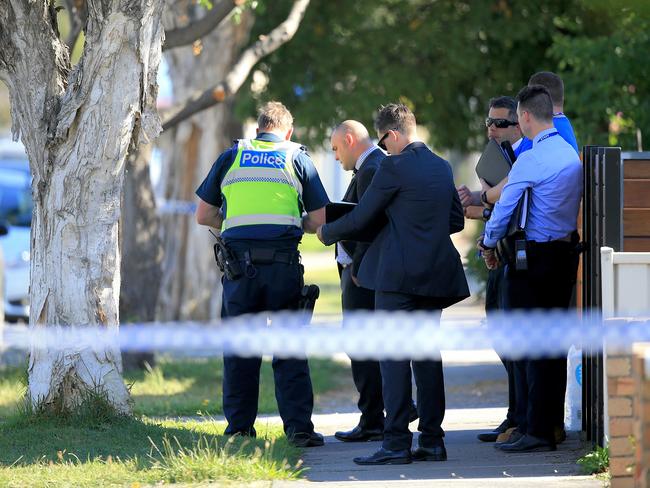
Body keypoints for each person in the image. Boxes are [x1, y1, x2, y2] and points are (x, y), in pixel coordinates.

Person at [317, 104, 469, 465]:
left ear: (394, 134)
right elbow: (455, 220)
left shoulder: (392, 166)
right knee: (428, 359)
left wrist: (326, 232)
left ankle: (396, 442)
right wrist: (422, 233)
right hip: (434, 273)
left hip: (397, 280)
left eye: (384, 140)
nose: (383, 148)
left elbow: (361, 216)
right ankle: (432, 440)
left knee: (394, 360)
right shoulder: (441, 165)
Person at [195, 101, 328, 447]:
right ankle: (299, 430)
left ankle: (239, 430)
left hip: (239, 270)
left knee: (240, 351)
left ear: (257, 130)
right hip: (283, 269)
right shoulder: (297, 157)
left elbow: (203, 214)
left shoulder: (232, 156)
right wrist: (294, 222)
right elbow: (319, 221)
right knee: (289, 350)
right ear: (288, 131)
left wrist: (234, 225)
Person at [479, 85, 582, 452]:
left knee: (528, 346)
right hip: (564, 255)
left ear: (523, 116)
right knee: (552, 347)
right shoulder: (568, 153)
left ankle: (534, 430)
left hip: (533, 259)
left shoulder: (532, 159)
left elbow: (505, 207)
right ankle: (549, 425)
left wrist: (488, 242)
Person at [328, 120, 417, 443]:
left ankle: (375, 418)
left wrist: (358, 263)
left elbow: (368, 222)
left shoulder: (373, 168)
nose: (336, 157)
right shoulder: (371, 167)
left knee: (362, 347)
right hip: (361, 270)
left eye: (336, 148)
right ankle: (392, 410)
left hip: (364, 273)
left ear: (350, 140)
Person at [458, 96, 524, 444]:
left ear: (518, 124)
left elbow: (516, 203)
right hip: (500, 249)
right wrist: (481, 209)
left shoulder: (526, 155)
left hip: (518, 253)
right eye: (488, 121)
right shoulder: (499, 158)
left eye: (499, 123)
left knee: (514, 341)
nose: (491, 128)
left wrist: (482, 203)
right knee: (499, 334)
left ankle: (521, 419)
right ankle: (515, 416)